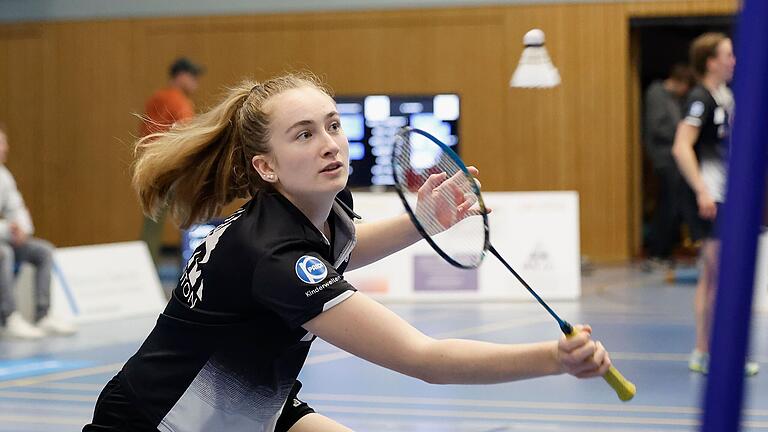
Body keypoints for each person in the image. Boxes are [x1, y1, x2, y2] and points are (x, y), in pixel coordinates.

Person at [84, 73, 612, 432]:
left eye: (333, 125)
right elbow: (423, 359)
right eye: (304, 134)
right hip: (160, 420)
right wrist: (553, 358)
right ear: (266, 167)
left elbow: (343, 250)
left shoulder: (319, 207)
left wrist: (422, 220)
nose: (330, 143)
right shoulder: (273, 257)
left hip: (251, 407)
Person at [672, 33, 759, 376]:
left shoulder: (726, 97)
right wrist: (702, 191)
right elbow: (681, 147)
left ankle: (706, 351)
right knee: (719, 277)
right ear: (711, 61)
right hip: (711, 199)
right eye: (727, 54)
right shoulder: (700, 98)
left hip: (728, 198)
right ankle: (712, 353)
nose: (733, 60)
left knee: (716, 277)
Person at [0, 124, 76, 339]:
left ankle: (43, 315)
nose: (6, 148)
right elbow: (7, 228)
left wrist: (22, 228)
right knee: (3, 252)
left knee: (43, 250)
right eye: (2, 143)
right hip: (3, 242)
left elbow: (17, 207)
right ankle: (8, 317)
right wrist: (8, 229)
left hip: (6, 238)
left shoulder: (4, 176)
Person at [139, 57, 204, 265]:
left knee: (152, 221)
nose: (196, 83)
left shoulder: (156, 98)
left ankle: (146, 268)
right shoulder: (179, 101)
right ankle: (191, 266)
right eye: (193, 77)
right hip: (175, 167)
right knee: (189, 218)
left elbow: (144, 133)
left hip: (153, 166)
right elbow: (187, 135)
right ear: (182, 76)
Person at [643, 63, 696, 267]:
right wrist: (681, 138)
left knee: (672, 205)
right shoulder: (657, 94)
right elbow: (656, 127)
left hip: (673, 158)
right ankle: (657, 251)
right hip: (664, 158)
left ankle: (664, 250)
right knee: (667, 206)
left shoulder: (674, 99)